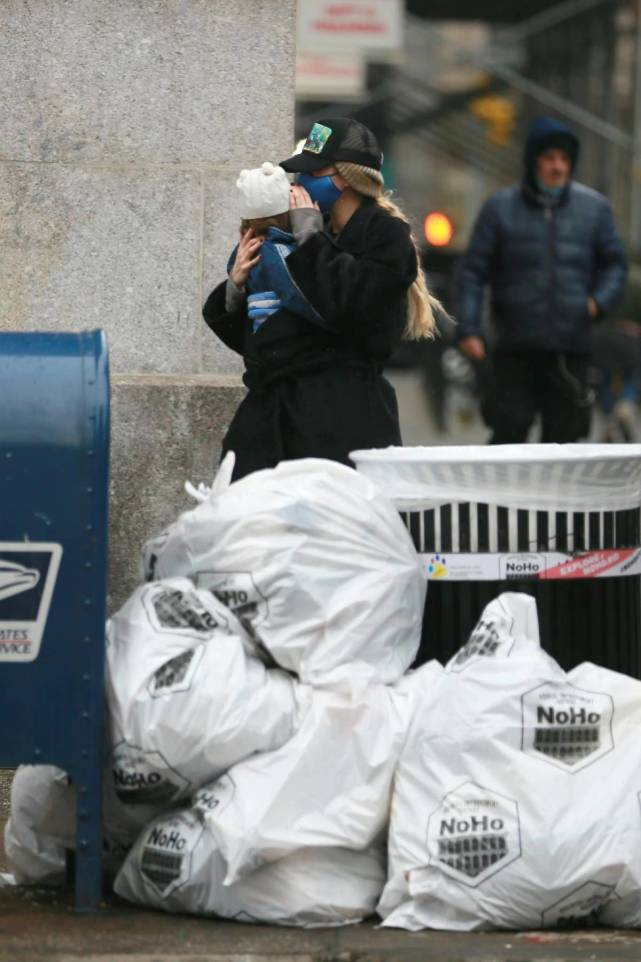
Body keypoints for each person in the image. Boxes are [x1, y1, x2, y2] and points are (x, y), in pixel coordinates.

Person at [203, 117, 439, 480]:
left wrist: (311, 240)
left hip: (343, 420)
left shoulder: (386, 237)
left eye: (314, 171)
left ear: (344, 177)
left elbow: (351, 308)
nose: (300, 182)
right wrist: (236, 290)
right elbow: (266, 342)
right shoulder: (297, 232)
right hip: (271, 416)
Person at [456, 115, 628, 444]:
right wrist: (469, 328)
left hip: (570, 349)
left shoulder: (594, 210)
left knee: (564, 444)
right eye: (549, 158)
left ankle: (553, 499)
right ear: (533, 161)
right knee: (508, 437)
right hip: (513, 349)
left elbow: (615, 265)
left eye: (564, 159)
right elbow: (473, 272)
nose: (558, 166)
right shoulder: (500, 209)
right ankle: (507, 498)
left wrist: (597, 303)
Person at [228, 161, 323, 333]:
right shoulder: (277, 252)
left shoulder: (248, 249)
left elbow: (232, 301)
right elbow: (304, 298)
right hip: (289, 343)